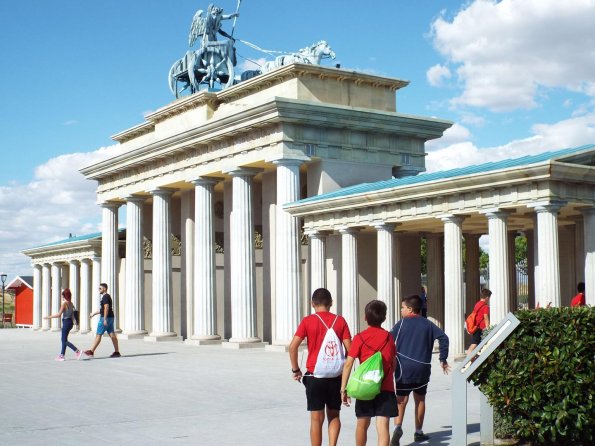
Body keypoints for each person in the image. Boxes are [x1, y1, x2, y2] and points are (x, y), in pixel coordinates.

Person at [289, 288, 352, 446]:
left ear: (312, 304)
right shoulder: (340, 321)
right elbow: (350, 351)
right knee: (334, 416)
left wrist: (296, 369)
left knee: (316, 419)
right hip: (336, 377)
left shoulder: (307, 321)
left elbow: (293, 347)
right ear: (331, 303)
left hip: (314, 376)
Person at [389, 295, 449, 445]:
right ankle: (418, 432)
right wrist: (443, 358)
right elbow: (444, 337)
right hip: (422, 368)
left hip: (403, 368)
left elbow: (389, 340)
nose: (401, 310)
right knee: (420, 399)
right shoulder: (428, 324)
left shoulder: (401, 324)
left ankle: (397, 427)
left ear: (410, 309)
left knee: (401, 400)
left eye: (402, 307)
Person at [341, 300, 397, 446]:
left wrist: (343, 389)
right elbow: (394, 362)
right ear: (384, 318)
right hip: (385, 387)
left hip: (364, 386)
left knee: (362, 424)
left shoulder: (359, 338)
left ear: (365, 317)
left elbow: (348, 364)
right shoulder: (389, 337)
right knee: (383, 427)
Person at [44, 288, 82, 361]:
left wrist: (48, 317)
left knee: (64, 340)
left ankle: (77, 351)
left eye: (62, 295)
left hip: (66, 322)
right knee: (64, 339)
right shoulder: (71, 303)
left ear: (64, 296)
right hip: (70, 323)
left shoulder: (64, 304)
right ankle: (62, 355)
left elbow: (59, 315)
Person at [84, 283, 121, 358]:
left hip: (105, 318)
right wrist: (94, 314)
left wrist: (104, 319)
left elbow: (106, 307)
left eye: (100, 288)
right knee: (112, 334)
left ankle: (91, 351)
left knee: (98, 334)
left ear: (104, 289)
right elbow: (103, 309)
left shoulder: (105, 297)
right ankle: (117, 352)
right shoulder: (107, 296)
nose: (99, 290)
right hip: (110, 317)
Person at [466, 288, 492, 355]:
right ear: (486, 297)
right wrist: (488, 328)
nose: (489, 299)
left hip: (476, 327)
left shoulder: (477, 304)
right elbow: (486, 318)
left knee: (477, 344)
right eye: (489, 298)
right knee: (474, 344)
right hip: (481, 329)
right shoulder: (485, 306)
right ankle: (468, 359)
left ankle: (472, 360)